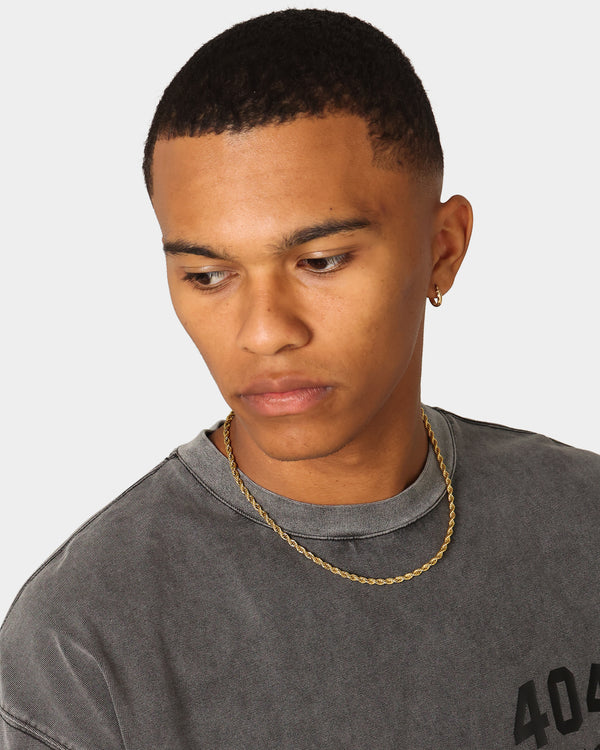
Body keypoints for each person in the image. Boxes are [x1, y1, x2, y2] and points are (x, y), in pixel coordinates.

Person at [1, 8, 599, 749]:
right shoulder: (86, 645)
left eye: (320, 262)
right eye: (207, 274)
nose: (263, 332)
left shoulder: (584, 518)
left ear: (442, 251)